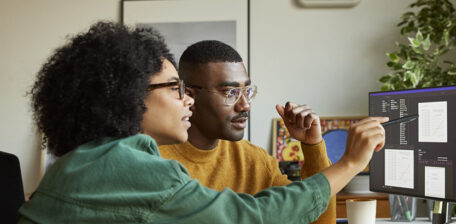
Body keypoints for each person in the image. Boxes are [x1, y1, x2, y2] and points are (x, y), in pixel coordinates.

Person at [19, 22, 388, 223]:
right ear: (131, 96)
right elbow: (250, 216)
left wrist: (314, 149)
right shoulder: (133, 167)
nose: (186, 99)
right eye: (175, 88)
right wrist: (351, 164)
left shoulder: (82, 163)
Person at [157, 40, 336, 223]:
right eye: (231, 93)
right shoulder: (153, 162)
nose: (245, 105)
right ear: (190, 95)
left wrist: (312, 146)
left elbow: (316, 219)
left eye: (247, 92)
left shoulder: (256, 161)